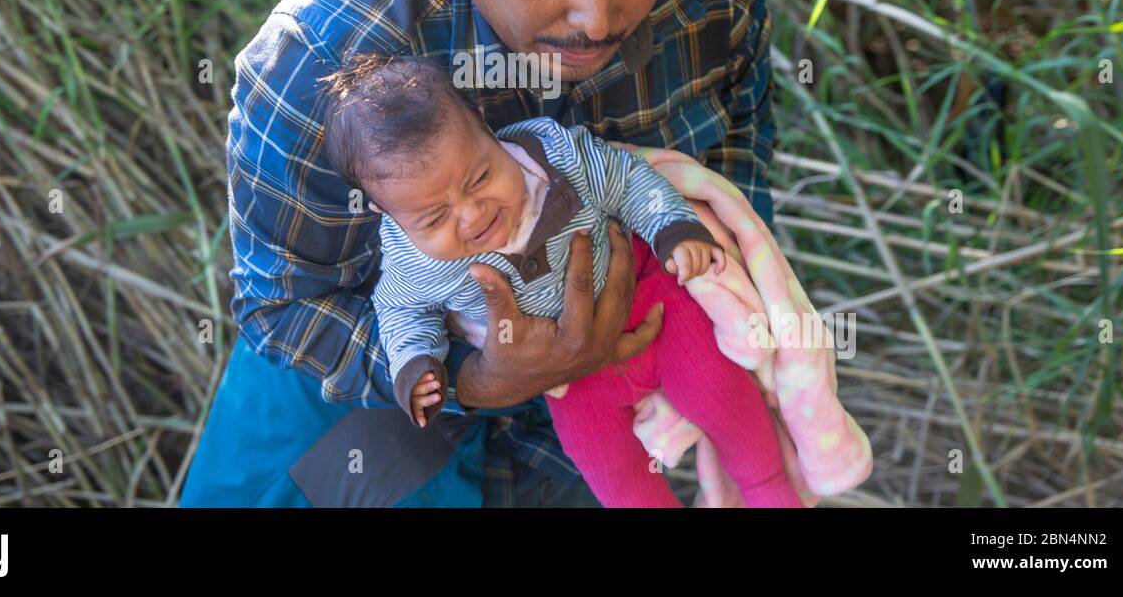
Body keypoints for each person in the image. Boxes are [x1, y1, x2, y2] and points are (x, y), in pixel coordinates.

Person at [179, 0, 777, 507]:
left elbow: (741, 158)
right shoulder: (318, 53)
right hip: (374, 428)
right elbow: (285, 309)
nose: (597, 20)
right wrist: (478, 380)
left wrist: (715, 309)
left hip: (614, 416)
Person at [317, 53, 802, 507]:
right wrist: (418, 364)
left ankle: (770, 487)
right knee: (607, 469)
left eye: (480, 177)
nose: (471, 215)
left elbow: (629, 180)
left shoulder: (558, 159)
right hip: (566, 378)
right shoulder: (412, 262)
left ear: (485, 128)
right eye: (434, 217)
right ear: (386, 211)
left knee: (723, 396)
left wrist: (672, 229)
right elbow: (403, 310)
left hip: (652, 304)